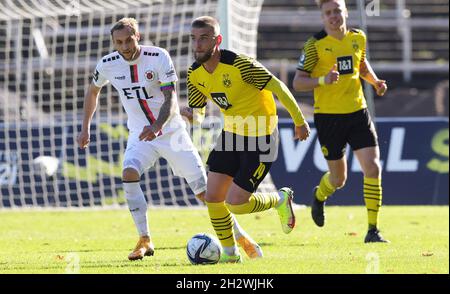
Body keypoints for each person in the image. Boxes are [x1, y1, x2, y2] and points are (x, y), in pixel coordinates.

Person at [77, 17, 264, 261]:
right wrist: (85, 128)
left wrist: (158, 125)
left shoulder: (158, 57)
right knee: (129, 173)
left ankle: (240, 236)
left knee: (206, 194)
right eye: (118, 42)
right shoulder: (107, 64)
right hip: (139, 134)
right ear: (113, 42)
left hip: (172, 133)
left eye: (128, 40)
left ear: (138, 36)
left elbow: (171, 98)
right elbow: (93, 91)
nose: (124, 46)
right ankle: (144, 239)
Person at [185, 16, 310, 263]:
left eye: (203, 39)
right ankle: (230, 256)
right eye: (194, 39)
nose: (197, 45)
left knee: (236, 204)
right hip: (231, 135)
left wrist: (299, 120)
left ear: (217, 40)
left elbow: (279, 88)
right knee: (213, 198)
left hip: (261, 138)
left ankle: (280, 199)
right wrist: (192, 116)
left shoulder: (241, 65)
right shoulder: (194, 73)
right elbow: (199, 112)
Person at [293, 0, 389, 243]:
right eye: (328, 13)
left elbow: (361, 65)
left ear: (345, 12)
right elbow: (298, 82)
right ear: (322, 17)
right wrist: (323, 80)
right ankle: (319, 196)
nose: (333, 16)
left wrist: (375, 81)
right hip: (328, 117)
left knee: (373, 167)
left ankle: (373, 230)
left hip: (358, 111)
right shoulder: (314, 45)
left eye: (337, 10)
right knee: (338, 180)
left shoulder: (359, 37)